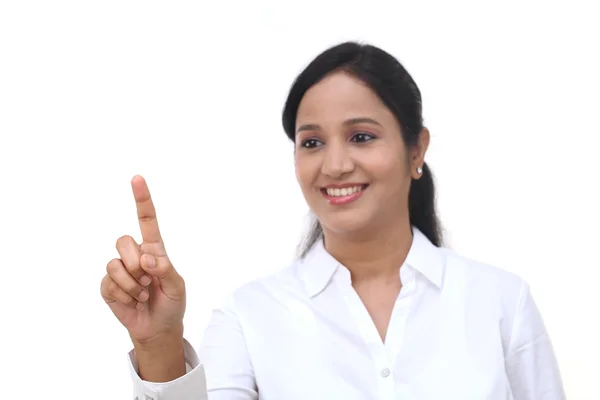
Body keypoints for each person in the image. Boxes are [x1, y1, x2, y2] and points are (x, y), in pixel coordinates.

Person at [100, 42, 566, 400]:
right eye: (312, 142)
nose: (336, 164)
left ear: (417, 148)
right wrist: (160, 344)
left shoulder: (502, 303)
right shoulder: (250, 316)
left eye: (361, 136)